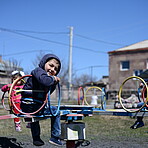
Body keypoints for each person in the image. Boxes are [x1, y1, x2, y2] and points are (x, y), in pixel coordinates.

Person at [20, 54, 63, 146]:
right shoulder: (38, 71)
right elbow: (45, 81)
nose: (52, 70)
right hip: (29, 104)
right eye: (51, 65)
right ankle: (55, 136)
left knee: (35, 119)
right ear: (44, 63)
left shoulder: (45, 78)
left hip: (33, 106)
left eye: (55, 69)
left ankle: (36, 138)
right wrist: (53, 79)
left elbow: (48, 93)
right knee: (56, 111)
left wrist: (54, 84)